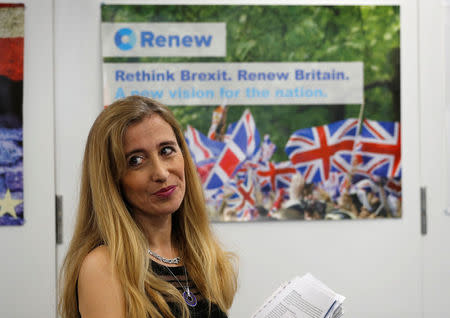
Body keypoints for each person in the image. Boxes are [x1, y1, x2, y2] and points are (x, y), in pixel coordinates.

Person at [58, 96, 238, 318]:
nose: (161, 173)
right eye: (136, 160)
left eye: (166, 151)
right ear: (112, 180)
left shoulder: (202, 254)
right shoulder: (104, 266)